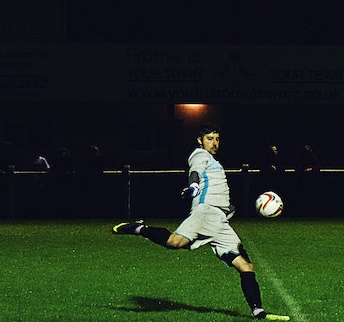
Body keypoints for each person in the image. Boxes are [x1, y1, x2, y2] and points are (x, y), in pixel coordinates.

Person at [112, 123, 289, 321]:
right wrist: (194, 185)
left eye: (217, 139)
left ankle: (259, 313)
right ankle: (139, 228)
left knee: (246, 266)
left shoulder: (214, 160)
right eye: (210, 139)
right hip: (205, 212)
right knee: (174, 242)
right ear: (200, 140)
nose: (214, 143)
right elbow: (195, 171)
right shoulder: (199, 155)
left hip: (220, 221)